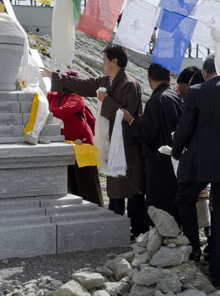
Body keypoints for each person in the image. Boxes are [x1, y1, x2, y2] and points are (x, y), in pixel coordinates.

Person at [41, 44, 148, 239]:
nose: (103, 63)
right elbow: (83, 85)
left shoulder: (129, 84)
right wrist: (53, 76)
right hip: (112, 143)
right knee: (115, 185)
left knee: (131, 186)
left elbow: (128, 115)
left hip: (127, 144)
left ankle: (138, 229)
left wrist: (105, 99)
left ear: (114, 61)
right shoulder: (106, 80)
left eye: (105, 60)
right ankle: (115, 225)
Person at [172, 55, 220, 287]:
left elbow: (185, 126)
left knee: (184, 198)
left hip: (199, 161)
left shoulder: (197, 91)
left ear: (205, 72)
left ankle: (193, 249)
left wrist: (176, 150)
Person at [122, 63, 184, 226]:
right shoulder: (176, 97)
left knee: (157, 200)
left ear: (149, 79)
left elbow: (147, 132)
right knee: (172, 197)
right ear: (169, 79)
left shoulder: (156, 100)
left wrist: (130, 121)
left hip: (158, 160)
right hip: (176, 156)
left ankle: (158, 233)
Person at [47, 70, 103, 207]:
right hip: (67, 146)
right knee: (72, 182)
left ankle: (95, 210)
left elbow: (64, 111)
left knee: (88, 183)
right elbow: (41, 97)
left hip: (83, 147)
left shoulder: (77, 96)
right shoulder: (54, 96)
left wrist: (45, 111)